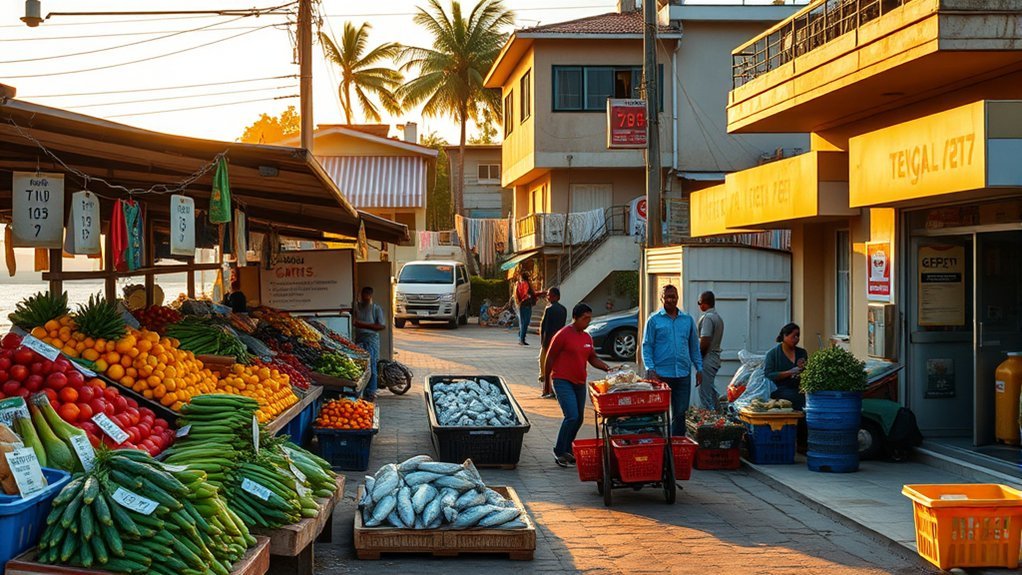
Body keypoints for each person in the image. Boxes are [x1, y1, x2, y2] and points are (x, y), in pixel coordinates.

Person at [544, 303, 613, 468]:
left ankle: (568, 448)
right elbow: (550, 357)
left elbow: (592, 358)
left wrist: (607, 367)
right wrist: (547, 383)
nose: (588, 321)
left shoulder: (587, 337)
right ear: (575, 318)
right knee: (572, 416)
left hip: (579, 383)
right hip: (562, 380)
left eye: (590, 318)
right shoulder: (563, 335)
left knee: (579, 418)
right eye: (585, 318)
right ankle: (559, 450)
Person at [641, 284, 702, 437]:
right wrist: (650, 369)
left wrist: (699, 368)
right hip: (660, 375)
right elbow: (647, 346)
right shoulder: (654, 320)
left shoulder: (687, 320)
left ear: (677, 298)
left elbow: (694, 346)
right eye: (667, 296)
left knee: (680, 414)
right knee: (658, 414)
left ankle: (677, 448)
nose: (670, 299)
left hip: (682, 374)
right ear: (662, 298)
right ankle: (659, 447)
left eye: (673, 296)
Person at [764, 322, 809, 410]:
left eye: (798, 336)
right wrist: (789, 373)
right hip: (779, 389)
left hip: (799, 388)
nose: (796, 339)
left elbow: (807, 372)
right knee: (796, 397)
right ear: (785, 336)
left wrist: (803, 369)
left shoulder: (802, 352)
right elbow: (769, 374)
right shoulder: (773, 354)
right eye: (794, 336)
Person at [353, 286, 386, 401]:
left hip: (371, 339)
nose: (365, 297)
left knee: (372, 365)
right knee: (361, 364)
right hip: (359, 338)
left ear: (371, 295)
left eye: (368, 295)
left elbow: (381, 325)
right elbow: (353, 321)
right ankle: (362, 390)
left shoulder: (376, 309)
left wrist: (361, 324)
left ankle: (371, 391)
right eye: (364, 294)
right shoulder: (357, 307)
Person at [696, 291, 724, 411]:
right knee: (711, 391)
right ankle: (720, 415)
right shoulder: (717, 317)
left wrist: (699, 361)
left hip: (708, 357)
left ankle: (710, 423)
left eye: (699, 302)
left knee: (705, 394)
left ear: (704, 303)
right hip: (715, 357)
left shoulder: (708, 318)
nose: (699, 305)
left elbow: (705, 341)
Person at [538, 287, 567, 399]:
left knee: (545, 366)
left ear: (555, 297)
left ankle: (548, 390)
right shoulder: (563, 309)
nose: (547, 297)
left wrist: (543, 343)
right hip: (559, 342)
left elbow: (545, 328)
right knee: (556, 367)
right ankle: (552, 390)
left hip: (548, 341)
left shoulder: (549, 309)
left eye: (549, 295)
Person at [514, 272, 542, 345]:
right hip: (525, 305)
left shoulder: (521, 284)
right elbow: (525, 294)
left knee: (524, 322)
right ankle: (521, 338)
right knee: (525, 322)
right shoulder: (525, 284)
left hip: (524, 305)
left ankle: (521, 337)